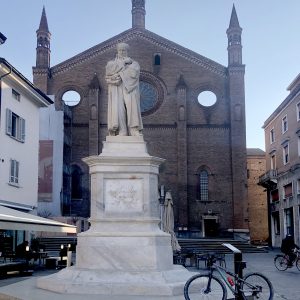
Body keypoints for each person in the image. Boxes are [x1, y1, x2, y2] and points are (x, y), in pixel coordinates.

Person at [105, 42, 143, 136]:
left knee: (132, 108)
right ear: (117, 51)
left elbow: (134, 74)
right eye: (120, 50)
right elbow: (109, 71)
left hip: (129, 88)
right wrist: (123, 64)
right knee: (118, 109)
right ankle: (122, 130)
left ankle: (133, 129)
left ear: (127, 51)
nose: (122, 52)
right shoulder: (111, 63)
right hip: (116, 88)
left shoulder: (134, 63)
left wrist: (119, 74)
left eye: (124, 50)